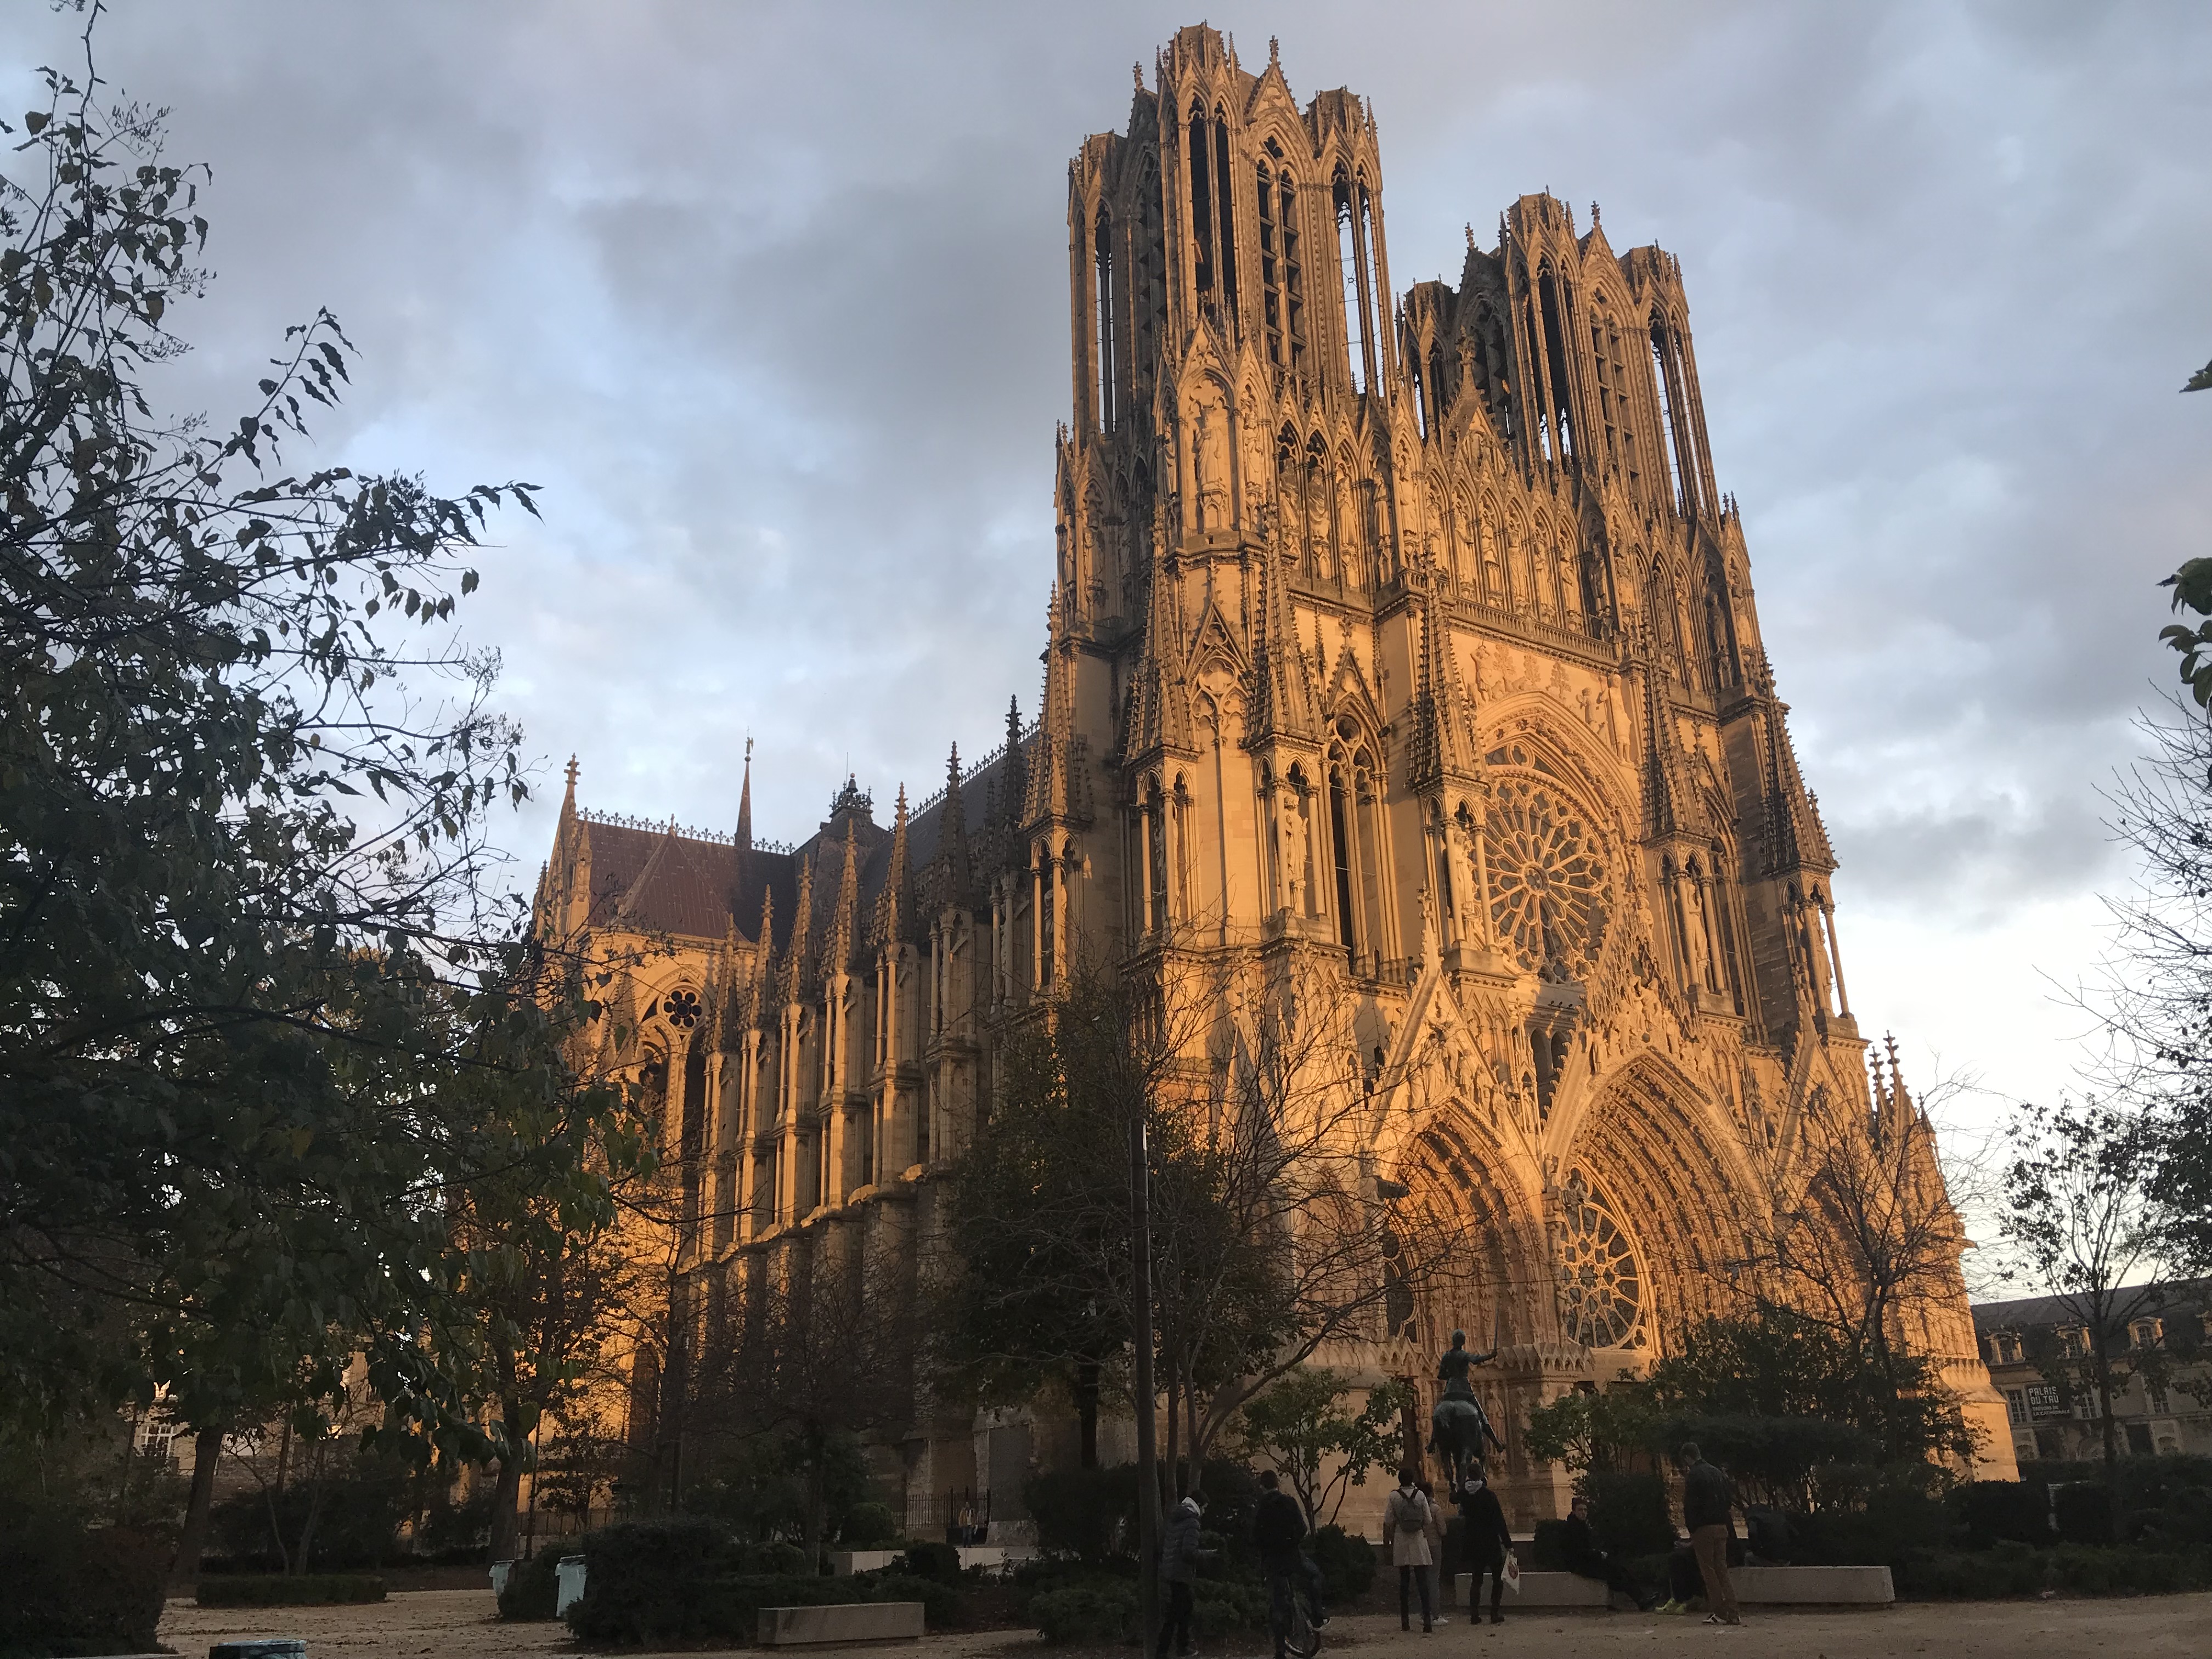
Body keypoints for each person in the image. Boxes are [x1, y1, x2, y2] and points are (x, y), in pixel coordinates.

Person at [1253, 1470, 1326, 1654]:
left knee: (1278, 1605)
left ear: (1262, 1487)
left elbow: (1256, 1537)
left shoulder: (1261, 1509)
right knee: (1315, 1575)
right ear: (1277, 1484)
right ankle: (1318, 1614)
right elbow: (1302, 1528)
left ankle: (1280, 1651)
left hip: (1272, 1562)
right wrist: (1291, 1542)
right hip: (1293, 1557)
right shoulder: (1289, 1502)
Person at [1679, 1442, 1741, 1627]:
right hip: (1722, 1525)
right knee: (1722, 1569)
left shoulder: (1694, 1475)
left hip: (1704, 1528)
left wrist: (1693, 1531)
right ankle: (1733, 1612)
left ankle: (1719, 1611)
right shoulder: (1717, 1473)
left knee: (1709, 1571)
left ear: (1687, 1457)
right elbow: (1728, 1500)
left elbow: (1690, 1506)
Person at [1560, 1494, 1654, 1611]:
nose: (1583, 1513)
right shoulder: (1572, 1529)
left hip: (1589, 1560)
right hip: (1580, 1565)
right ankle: (1640, 1600)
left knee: (1620, 1569)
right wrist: (1598, 1554)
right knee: (1615, 1572)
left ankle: (1641, 1598)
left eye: (1585, 1510)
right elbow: (1579, 1552)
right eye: (1580, 1510)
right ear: (1574, 1512)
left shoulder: (1582, 1526)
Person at [1455, 1459, 1515, 1626]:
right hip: (1490, 1541)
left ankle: (1474, 1614)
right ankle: (1494, 1612)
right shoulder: (1488, 1495)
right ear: (1481, 1475)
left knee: (1477, 1579)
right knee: (1497, 1578)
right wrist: (1508, 1543)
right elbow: (1499, 1520)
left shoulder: (1464, 1494)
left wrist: (1460, 1485)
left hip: (1473, 1541)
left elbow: (1454, 1498)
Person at [1381, 1465, 1438, 1632]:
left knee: (1404, 1582)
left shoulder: (1394, 1496)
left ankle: (1405, 1621)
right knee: (1422, 1581)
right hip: (1418, 1539)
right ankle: (1427, 1620)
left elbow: (1388, 1520)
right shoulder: (1420, 1495)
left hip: (1401, 1538)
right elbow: (1428, 1520)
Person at [1158, 1492, 1214, 1657]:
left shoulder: (1176, 1517)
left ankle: (1181, 1646)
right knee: (1175, 1613)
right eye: (1204, 1508)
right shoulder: (1192, 1523)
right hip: (1181, 1573)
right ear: (1199, 1506)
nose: (1204, 1512)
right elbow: (1189, 1552)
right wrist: (1209, 1555)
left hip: (1171, 1570)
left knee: (1185, 1607)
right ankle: (1164, 1651)